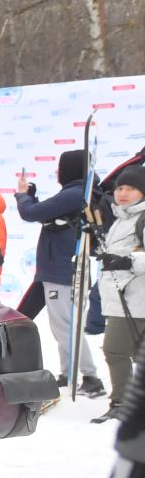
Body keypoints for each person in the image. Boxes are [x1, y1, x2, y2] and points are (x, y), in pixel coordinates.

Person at [15, 149, 105, 397]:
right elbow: (46, 212)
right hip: (65, 268)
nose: (56, 171)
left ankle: (90, 376)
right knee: (66, 324)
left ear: (70, 169)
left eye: (60, 167)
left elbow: (31, 213)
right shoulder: (82, 192)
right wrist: (30, 197)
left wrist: (23, 196)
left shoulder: (75, 193)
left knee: (64, 327)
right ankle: (69, 373)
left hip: (61, 269)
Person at [94, 161, 145, 419]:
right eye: (119, 188)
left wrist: (127, 261)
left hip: (136, 298)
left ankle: (122, 404)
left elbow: (136, 257)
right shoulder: (120, 219)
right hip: (122, 297)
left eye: (131, 188)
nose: (122, 193)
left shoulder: (142, 218)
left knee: (114, 350)